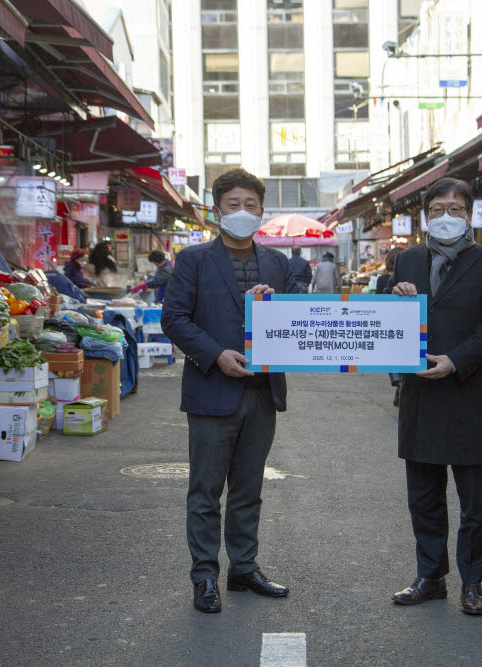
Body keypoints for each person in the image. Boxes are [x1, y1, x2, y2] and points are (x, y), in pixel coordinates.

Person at [161, 167, 299, 615]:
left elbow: (298, 320)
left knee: (249, 487)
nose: (242, 212)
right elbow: (174, 319)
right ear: (216, 211)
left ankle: (244, 568)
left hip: (261, 394)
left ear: (263, 210)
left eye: (250, 205)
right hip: (211, 391)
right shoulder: (194, 260)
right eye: (233, 205)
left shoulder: (278, 263)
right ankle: (204, 576)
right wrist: (216, 354)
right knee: (205, 490)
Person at [387, 177, 482, 616]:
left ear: (469, 215)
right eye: (437, 209)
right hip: (419, 394)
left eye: (455, 209)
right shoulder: (406, 259)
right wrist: (394, 294)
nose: (446, 217)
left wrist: (456, 360)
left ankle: (473, 582)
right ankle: (430, 576)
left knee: (474, 499)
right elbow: (387, 319)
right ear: (425, 216)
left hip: (465, 390)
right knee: (423, 494)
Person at [377, 247, 404, 406]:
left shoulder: (382, 279)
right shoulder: (411, 278)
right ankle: (400, 385)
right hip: (404, 323)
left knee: (393, 354)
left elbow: (376, 302)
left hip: (387, 322)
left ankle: (397, 382)